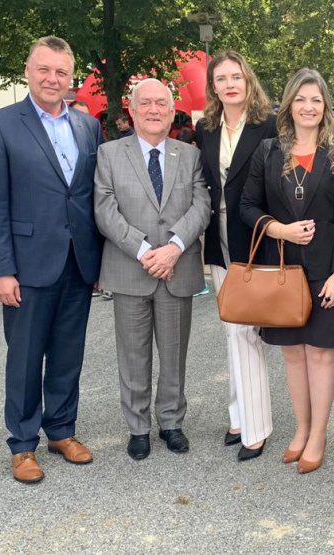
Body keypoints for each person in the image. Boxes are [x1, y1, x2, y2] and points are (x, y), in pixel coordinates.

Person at [0, 36, 104, 484]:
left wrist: (98, 261)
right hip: (27, 265)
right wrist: (1, 270)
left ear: (71, 78)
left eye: (61, 72)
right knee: (26, 357)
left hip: (78, 261)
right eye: (44, 69)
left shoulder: (88, 127)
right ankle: (22, 444)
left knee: (69, 353)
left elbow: (90, 196)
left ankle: (62, 430)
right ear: (28, 71)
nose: (53, 78)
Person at [240, 68, 334, 474]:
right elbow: (247, 206)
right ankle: (302, 427)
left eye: (316, 100)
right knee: (293, 353)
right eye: (301, 100)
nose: (308, 107)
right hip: (282, 270)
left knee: (321, 353)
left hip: (327, 272)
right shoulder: (268, 151)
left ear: (326, 106)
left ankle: (319, 433)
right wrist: (279, 229)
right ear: (289, 105)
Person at [94, 79, 210, 460]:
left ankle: (171, 422)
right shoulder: (110, 153)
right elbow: (104, 210)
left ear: (172, 111)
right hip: (131, 268)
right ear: (132, 110)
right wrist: (145, 251)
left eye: (161, 103)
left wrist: (174, 248)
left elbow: (201, 206)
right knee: (133, 355)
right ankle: (138, 428)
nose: (154, 110)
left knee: (174, 352)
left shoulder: (189, 155)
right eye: (145, 103)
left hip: (177, 267)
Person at [193, 51, 277, 460]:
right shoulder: (205, 127)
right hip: (219, 240)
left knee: (245, 333)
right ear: (212, 86)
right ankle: (239, 416)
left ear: (248, 81)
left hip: (255, 238)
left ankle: (255, 428)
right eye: (221, 78)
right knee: (232, 328)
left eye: (236, 77)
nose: (229, 84)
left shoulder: (270, 125)